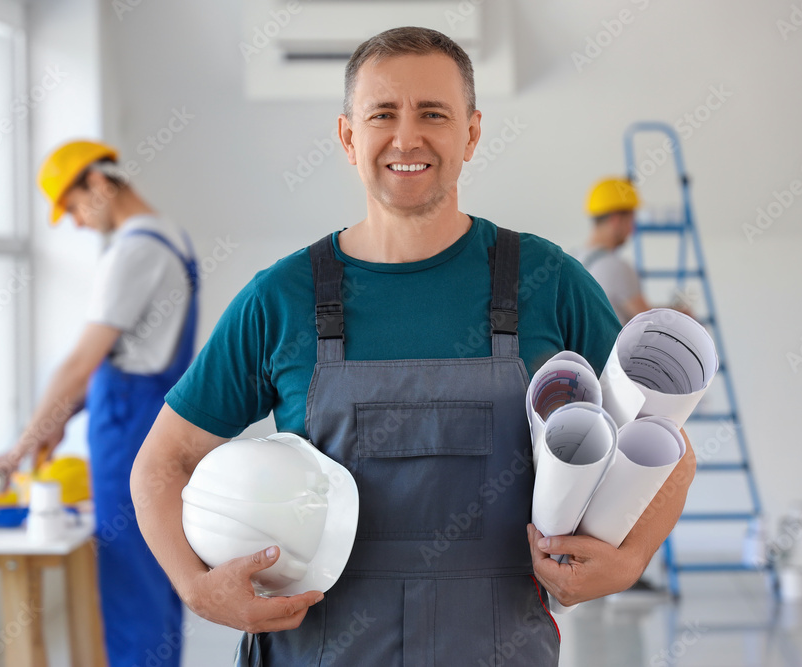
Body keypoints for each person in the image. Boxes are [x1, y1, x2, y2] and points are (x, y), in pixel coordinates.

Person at [131, 27, 696, 665]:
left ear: (472, 133)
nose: (407, 138)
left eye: (433, 114)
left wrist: (629, 561)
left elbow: (669, 450)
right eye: (382, 115)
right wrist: (195, 587)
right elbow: (163, 461)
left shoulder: (548, 281)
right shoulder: (280, 298)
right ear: (348, 136)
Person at [0, 140, 196, 667]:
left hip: (129, 441)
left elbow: (81, 363)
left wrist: (17, 449)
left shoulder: (135, 250)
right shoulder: (172, 238)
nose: (73, 222)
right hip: (153, 430)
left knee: (129, 588)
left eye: (72, 206)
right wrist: (62, 419)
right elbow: (127, 354)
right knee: (156, 579)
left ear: (98, 183)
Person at [573, 178, 690, 324]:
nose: (632, 230)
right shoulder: (616, 266)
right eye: (630, 221)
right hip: (613, 347)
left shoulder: (572, 259)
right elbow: (647, 320)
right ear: (616, 219)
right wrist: (680, 314)